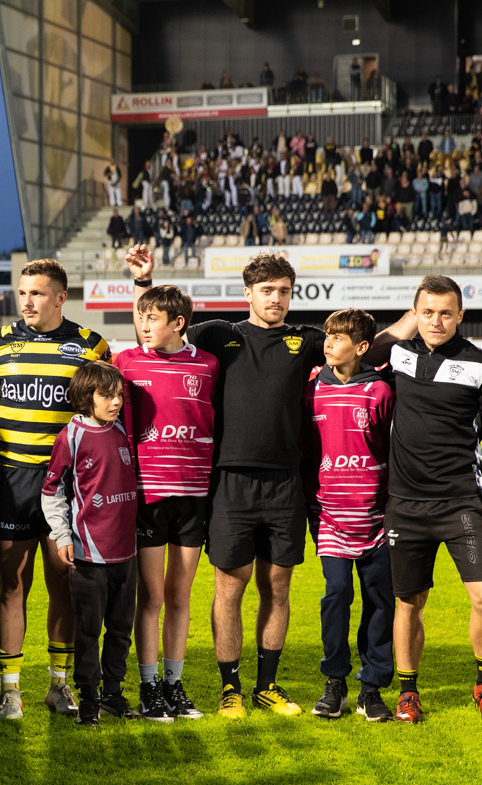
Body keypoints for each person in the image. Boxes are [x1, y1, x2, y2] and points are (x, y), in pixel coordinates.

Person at [126, 247, 406, 720]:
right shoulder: (218, 334)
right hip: (230, 481)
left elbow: (369, 344)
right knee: (229, 587)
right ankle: (230, 687)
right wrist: (144, 281)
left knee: (277, 587)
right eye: (267, 291)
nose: (276, 298)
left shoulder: (306, 339)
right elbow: (158, 330)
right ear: (248, 294)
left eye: (284, 291)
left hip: (286, 484)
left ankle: (267, 685)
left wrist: (415, 316)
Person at [0, 259, 110, 721]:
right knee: (13, 583)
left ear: (59, 297)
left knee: (63, 584)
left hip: (66, 484)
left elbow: (104, 411)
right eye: (23, 292)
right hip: (12, 479)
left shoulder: (92, 346)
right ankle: (9, 689)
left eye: (37, 293)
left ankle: (59, 683)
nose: (27, 301)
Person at [383, 276, 482, 726]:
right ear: (414, 312)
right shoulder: (395, 354)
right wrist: (401, 326)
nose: (436, 321)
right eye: (427, 311)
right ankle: (408, 691)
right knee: (408, 604)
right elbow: (353, 351)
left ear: (460, 315)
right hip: (404, 504)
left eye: (445, 313)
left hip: (461, 503)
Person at [116, 284, 217, 721]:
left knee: (180, 595)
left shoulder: (210, 365)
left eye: (152, 319)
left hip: (193, 495)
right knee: (152, 597)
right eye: (141, 317)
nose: (144, 326)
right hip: (148, 494)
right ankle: (148, 687)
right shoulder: (126, 362)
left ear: (178, 324)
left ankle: (174, 685)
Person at [301, 309, 396, 722]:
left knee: (380, 602)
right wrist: (312, 503)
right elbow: (305, 451)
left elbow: (393, 452)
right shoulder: (312, 390)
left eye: (338, 338)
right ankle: (335, 682)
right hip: (331, 517)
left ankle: (371, 687)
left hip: (376, 518)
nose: (328, 343)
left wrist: (391, 508)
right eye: (327, 336)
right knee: (336, 595)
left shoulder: (379, 391)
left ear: (360, 348)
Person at [42, 361, 140, 726]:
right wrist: (62, 535)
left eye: (118, 395)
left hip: (125, 552)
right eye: (106, 395)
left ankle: (113, 694)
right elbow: (51, 491)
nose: (115, 402)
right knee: (88, 629)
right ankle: (88, 698)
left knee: (120, 628)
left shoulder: (122, 429)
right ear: (86, 397)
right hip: (89, 553)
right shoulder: (71, 435)